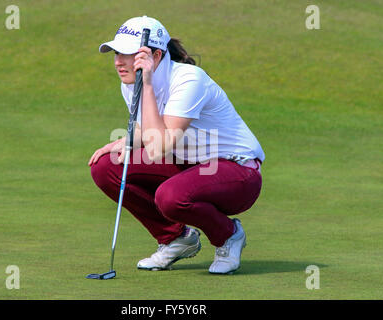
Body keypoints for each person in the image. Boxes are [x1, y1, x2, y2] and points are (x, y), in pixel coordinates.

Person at [89, 16, 265, 274]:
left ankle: (229, 235)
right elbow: (145, 130)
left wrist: (146, 85)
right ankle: (176, 238)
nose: (118, 61)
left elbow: (159, 145)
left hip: (237, 172)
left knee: (171, 197)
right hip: (189, 166)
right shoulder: (130, 83)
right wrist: (118, 144)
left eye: (127, 53)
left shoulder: (189, 79)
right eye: (117, 52)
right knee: (106, 167)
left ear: (156, 56)